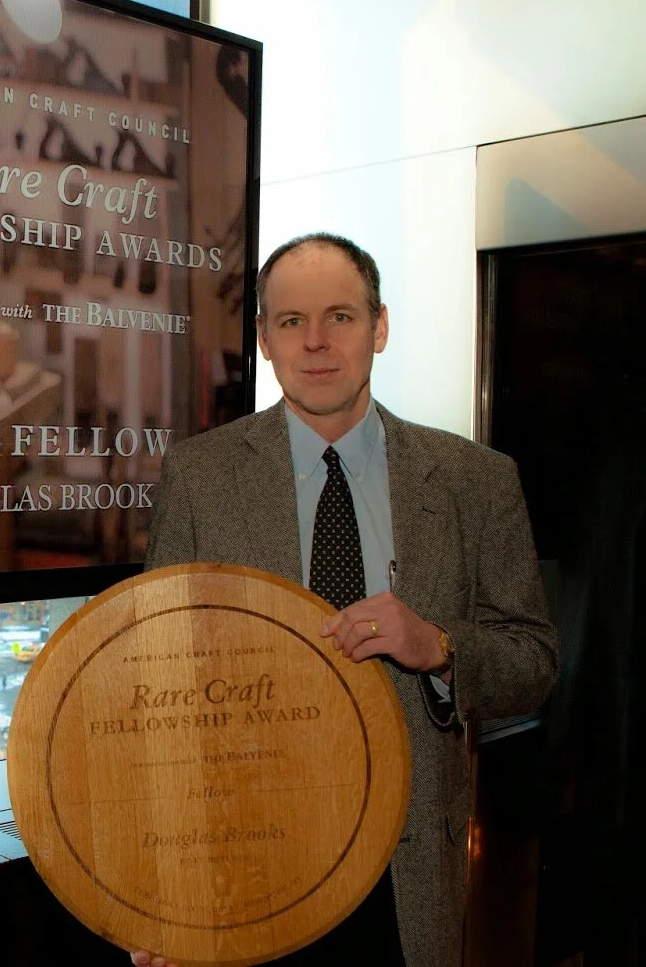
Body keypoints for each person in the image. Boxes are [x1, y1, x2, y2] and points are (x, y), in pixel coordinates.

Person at [131, 233, 558, 967]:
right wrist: (158, 890)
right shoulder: (200, 477)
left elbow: (534, 661)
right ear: (264, 338)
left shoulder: (473, 481)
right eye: (291, 321)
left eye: (342, 316)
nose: (317, 342)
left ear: (380, 327)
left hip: (405, 875)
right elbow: (160, 686)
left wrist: (438, 647)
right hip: (245, 865)